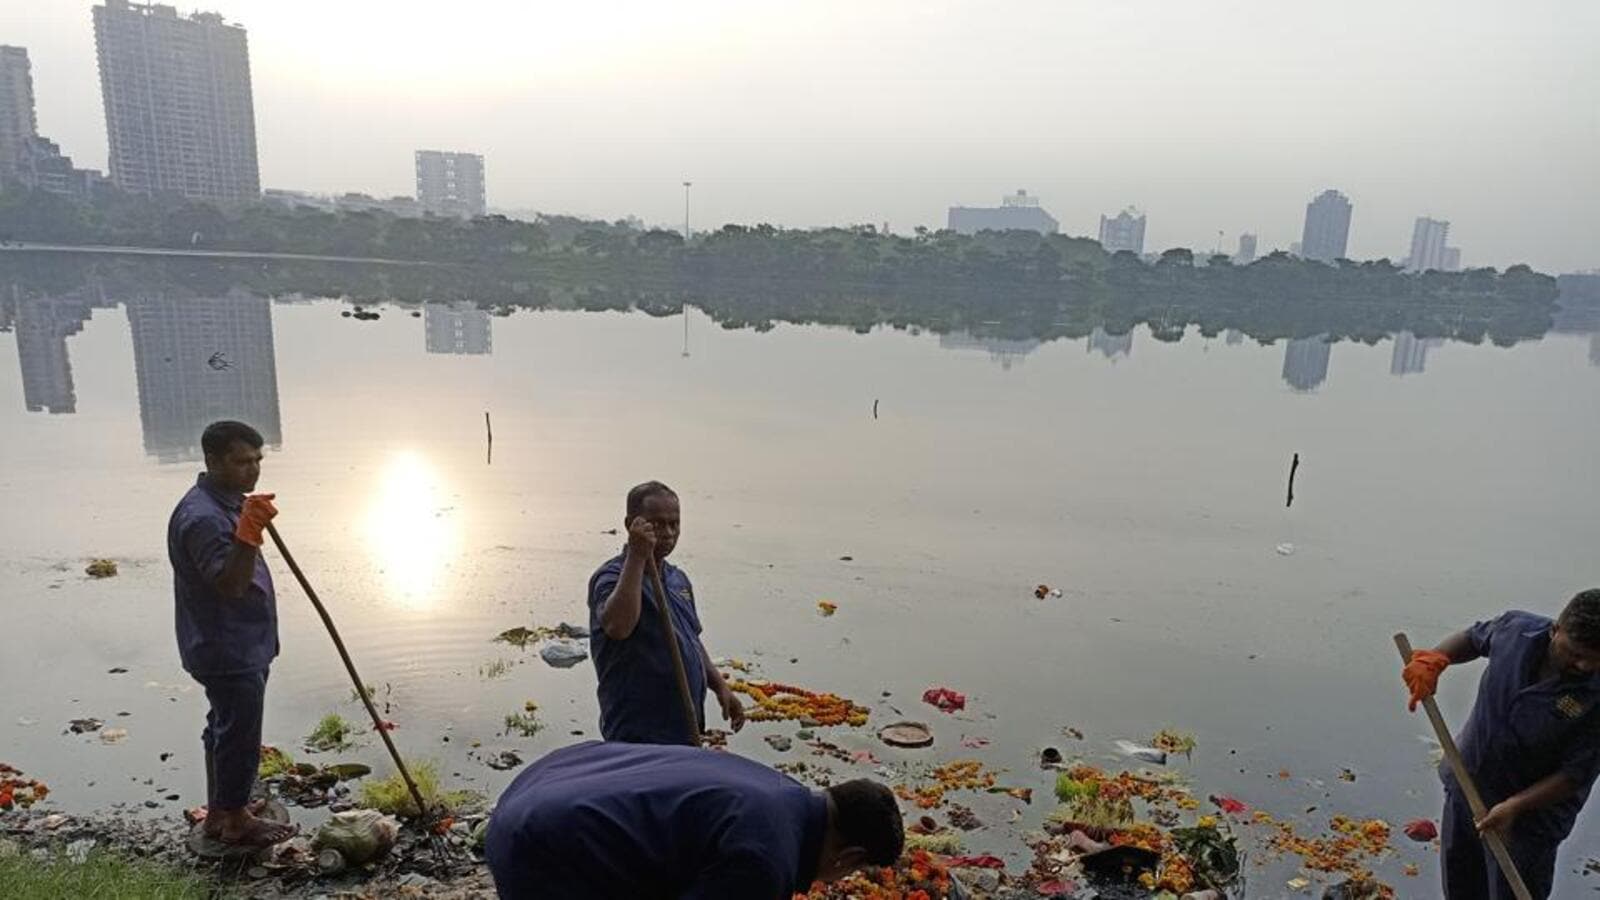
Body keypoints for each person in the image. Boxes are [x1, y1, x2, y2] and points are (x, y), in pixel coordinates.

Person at [484, 740, 904, 899]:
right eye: (852, 873)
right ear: (849, 857)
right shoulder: (765, 860)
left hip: (544, 781)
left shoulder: (779, 790)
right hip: (535, 842)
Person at [1402, 589, 1600, 899]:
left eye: (1594, 659)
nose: (1585, 666)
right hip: (1468, 783)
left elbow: (1575, 774)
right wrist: (1436, 659)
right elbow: (1474, 638)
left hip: (1529, 821)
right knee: (1461, 886)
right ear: (1555, 631)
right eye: (1575, 653)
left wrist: (1515, 807)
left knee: (1513, 892)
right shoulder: (1516, 631)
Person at [167, 420, 294, 847]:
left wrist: (246, 520)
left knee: (224, 725)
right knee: (238, 729)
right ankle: (235, 820)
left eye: (257, 460)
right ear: (212, 460)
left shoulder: (225, 502)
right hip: (225, 645)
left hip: (242, 641)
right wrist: (248, 532)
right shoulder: (202, 516)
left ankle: (223, 807)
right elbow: (230, 585)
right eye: (242, 462)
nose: (253, 470)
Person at [587, 481, 743, 744]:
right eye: (657, 524)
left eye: (675, 524)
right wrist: (637, 556)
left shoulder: (677, 579)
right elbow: (618, 626)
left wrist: (720, 686)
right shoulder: (610, 577)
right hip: (637, 732)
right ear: (631, 525)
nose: (668, 533)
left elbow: (690, 639)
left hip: (684, 726)